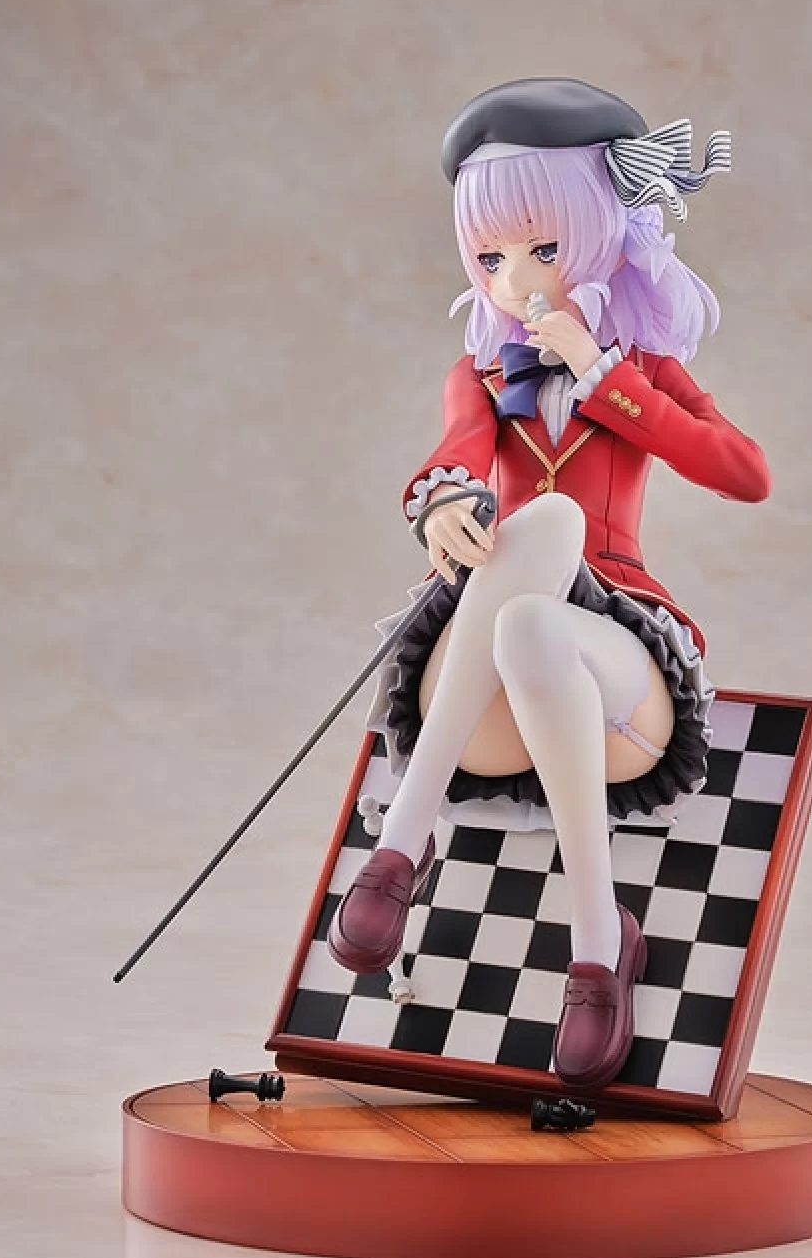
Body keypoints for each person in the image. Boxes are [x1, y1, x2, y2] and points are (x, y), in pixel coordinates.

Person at [327, 77, 770, 1090]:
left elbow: (745, 473)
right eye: (491, 258)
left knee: (552, 563)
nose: (516, 277)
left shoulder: (644, 371)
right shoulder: (481, 379)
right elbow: (451, 455)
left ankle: (550, 915)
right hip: (478, 689)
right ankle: (476, 869)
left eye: (543, 248)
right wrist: (441, 503)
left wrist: (609, 377)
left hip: (611, 664)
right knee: (530, 577)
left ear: (606, 235)